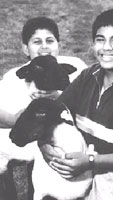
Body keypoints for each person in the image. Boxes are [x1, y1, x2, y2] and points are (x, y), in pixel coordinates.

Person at [40, 9, 113, 200]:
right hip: (92, 183)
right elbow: (55, 112)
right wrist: (44, 145)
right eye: (100, 39)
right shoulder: (88, 76)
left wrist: (90, 161)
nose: (107, 47)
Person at [0, 16, 87, 200]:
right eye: (36, 42)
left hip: (68, 139)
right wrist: (18, 117)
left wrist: (59, 97)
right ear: (25, 48)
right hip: (29, 139)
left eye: (50, 41)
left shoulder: (75, 67)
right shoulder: (13, 79)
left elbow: (91, 103)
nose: (44, 47)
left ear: (58, 44)